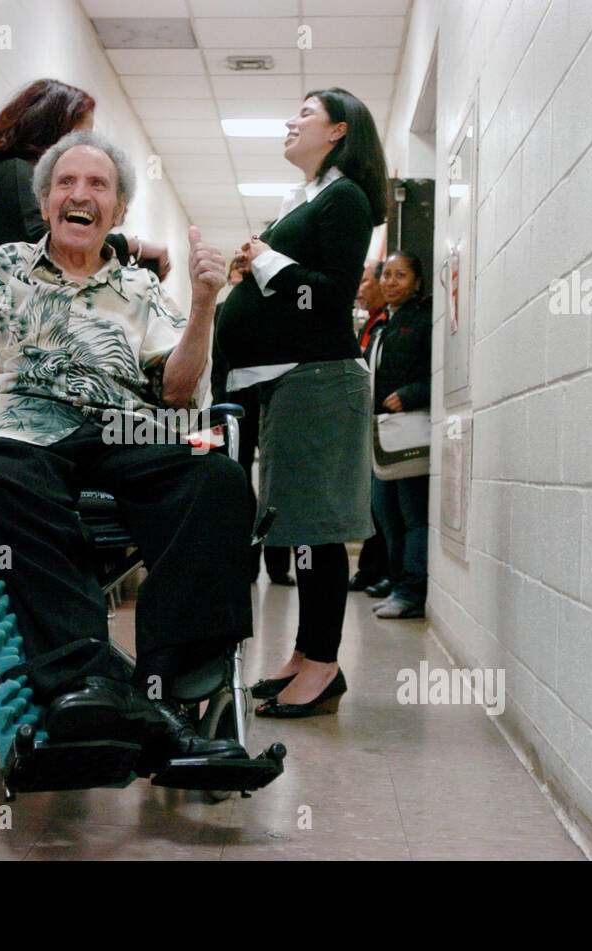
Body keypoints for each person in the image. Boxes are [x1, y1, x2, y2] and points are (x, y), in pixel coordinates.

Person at [0, 130, 250, 770]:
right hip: (17, 431)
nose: (80, 195)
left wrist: (205, 307)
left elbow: (180, 390)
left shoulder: (142, 289)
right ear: (46, 200)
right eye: (66, 183)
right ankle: (88, 683)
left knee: (214, 470)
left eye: (97, 185)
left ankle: (169, 693)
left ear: (118, 209)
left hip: (121, 427)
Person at [215, 88, 388, 718]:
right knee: (297, 528)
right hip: (289, 381)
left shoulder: (345, 198)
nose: (291, 120)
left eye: (305, 113)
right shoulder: (310, 197)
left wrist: (265, 261)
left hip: (317, 380)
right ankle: (304, 656)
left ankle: (323, 667)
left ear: (339, 131)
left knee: (315, 532)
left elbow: (328, 295)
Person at [0, 78, 169, 276]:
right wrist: (129, 245)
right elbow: (47, 246)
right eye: (79, 136)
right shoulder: (14, 172)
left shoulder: (10, 172)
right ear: (51, 128)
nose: (82, 147)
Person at [211, 265, 295, 587]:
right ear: (231, 276)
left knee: (277, 483)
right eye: (238, 269)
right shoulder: (222, 312)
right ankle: (244, 563)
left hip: (272, 403)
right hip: (234, 407)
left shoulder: (278, 308)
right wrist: (219, 407)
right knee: (237, 478)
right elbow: (219, 364)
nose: (243, 275)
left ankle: (278, 566)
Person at [368, 250, 432, 619]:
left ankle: (411, 593)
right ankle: (396, 585)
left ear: (416, 282)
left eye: (400, 275)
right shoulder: (381, 325)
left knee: (413, 518)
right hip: (381, 434)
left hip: (410, 433)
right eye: (386, 275)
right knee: (386, 515)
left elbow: (437, 376)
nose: (391, 282)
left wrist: (409, 395)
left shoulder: (423, 322)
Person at [349, 260, 391, 597]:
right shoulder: (372, 326)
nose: (360, 288)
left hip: (388, 427)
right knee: (374, 503)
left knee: (384, 507)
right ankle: (369, 569)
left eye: (365, 281)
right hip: (367, 426)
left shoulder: (387, 325)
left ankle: (378, 570)